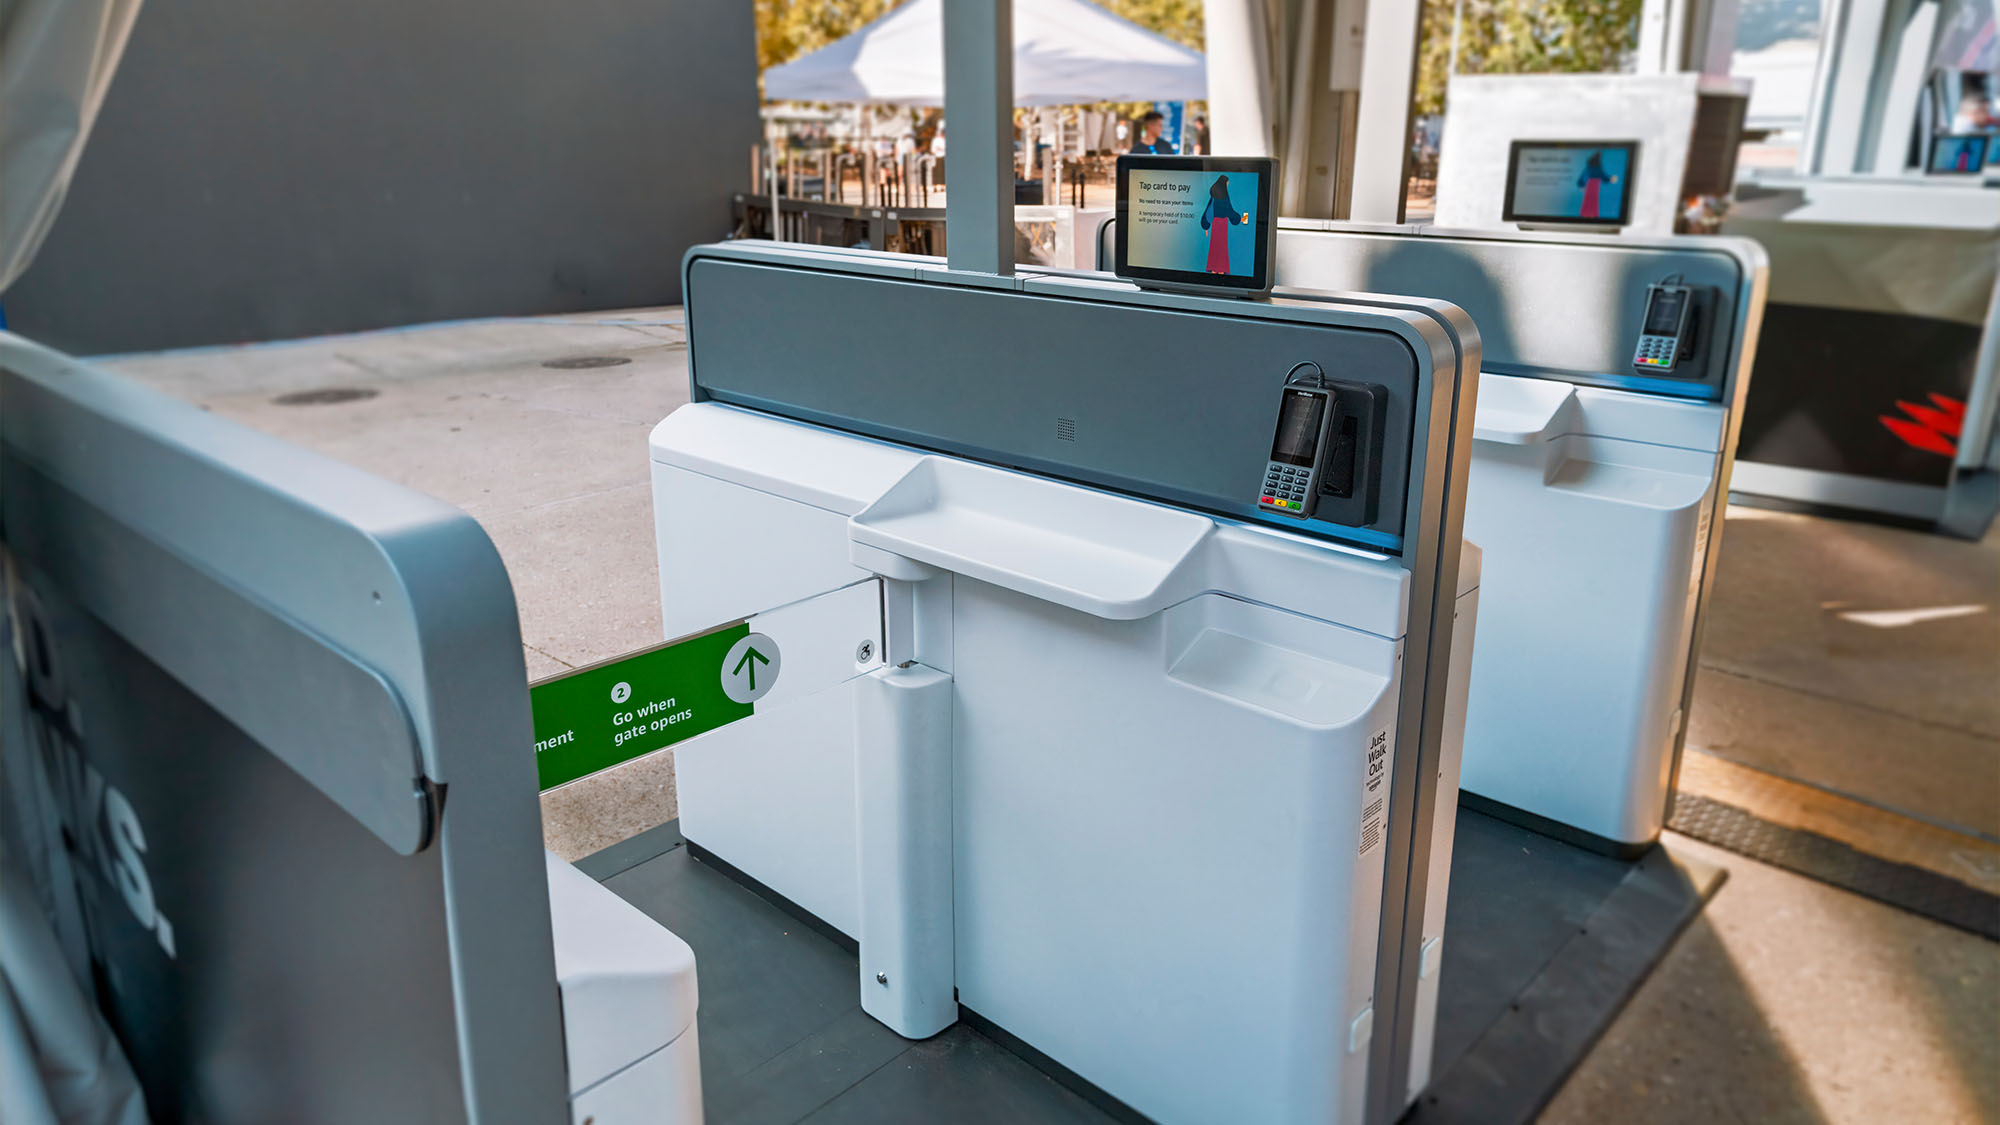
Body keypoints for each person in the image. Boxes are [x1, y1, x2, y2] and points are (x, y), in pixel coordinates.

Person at [1200, 174, 1247, 275]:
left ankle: (1213, 269)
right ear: (1224, 183)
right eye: (1227, 183)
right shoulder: (1224, 196)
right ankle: (1220, 270)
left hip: (1216, 225)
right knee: (1221, 248)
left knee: (1215, 246)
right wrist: (1239, 219)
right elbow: (1230, 211)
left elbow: (1209, 210)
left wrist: (1206, 225)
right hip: (1222, 225)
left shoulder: (1214, 196)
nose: (1227, 185)